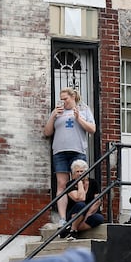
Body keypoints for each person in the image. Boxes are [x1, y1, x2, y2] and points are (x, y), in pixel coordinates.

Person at [43, 87, 96, 227]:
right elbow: (47, 132)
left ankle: (80, 215)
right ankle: (62, 218)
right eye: (61, 99)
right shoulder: (57, 112)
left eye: (65, 99)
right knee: (61, 184)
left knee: (81, 181)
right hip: (60, 152)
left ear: (73, 97)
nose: (63, 102)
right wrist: (53, 115)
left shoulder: (84, 110)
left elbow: (92, 129)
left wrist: (78, 118)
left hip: (77, 150)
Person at [60, 159, 105, 239]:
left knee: (99, 218)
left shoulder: (93, 182)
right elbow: (80, 198)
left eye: (82, 171)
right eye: (77, 172)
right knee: (81, 205)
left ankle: (71, 229)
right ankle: (73, 230)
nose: (80, 174)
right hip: (75, 213)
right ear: (73, 173)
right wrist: (80, 183)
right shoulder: (70, 184)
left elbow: (97, 201)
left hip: (90, 213)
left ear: (86, 172)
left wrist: (87, 215)